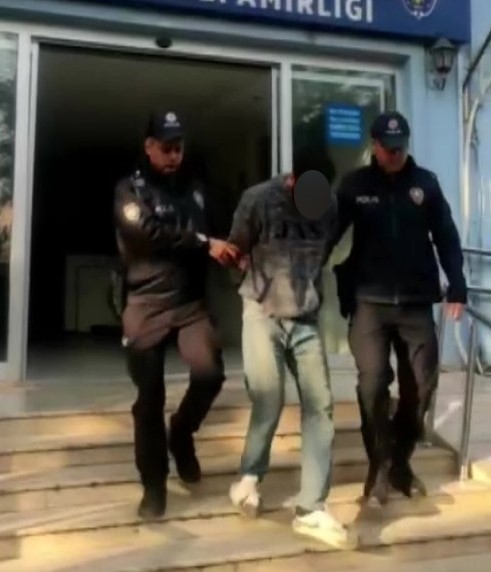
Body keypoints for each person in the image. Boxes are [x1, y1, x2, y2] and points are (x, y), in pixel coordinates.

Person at [332, 111, 467, 507]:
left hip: (415, 302)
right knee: (372, 385)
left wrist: (457, 284)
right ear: (374, 146)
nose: (395, 155)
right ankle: (379, 466)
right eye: (388, 148)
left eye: (400, 148)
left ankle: (400, 460)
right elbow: (328, 235)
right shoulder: (355, 185)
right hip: (369, 302)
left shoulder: (426, 183)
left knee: (422, 386)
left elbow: (446, 235)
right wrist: (303, 275)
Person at [226, 148, 357, 549]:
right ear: (293, 179)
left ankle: (311, 507)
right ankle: (249, 476)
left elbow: (325, 251)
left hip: (305, 317)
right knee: (268, 395)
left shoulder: (329, 206)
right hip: (261, 311)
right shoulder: (258, 199)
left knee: (321, 405)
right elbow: (235, 250)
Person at [113, 110, 239, 519]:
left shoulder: (196, 190)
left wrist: (237, 251)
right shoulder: (130, 190)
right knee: (150, 396)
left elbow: (226, 231)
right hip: (146, 303)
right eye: (166, 148)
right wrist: (202, 242)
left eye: (178, 148)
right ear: (149, 146)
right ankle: (154, 485)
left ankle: (181, 433)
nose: (173, 155)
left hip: (189, 303)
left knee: (210, 373)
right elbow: (145, 234)